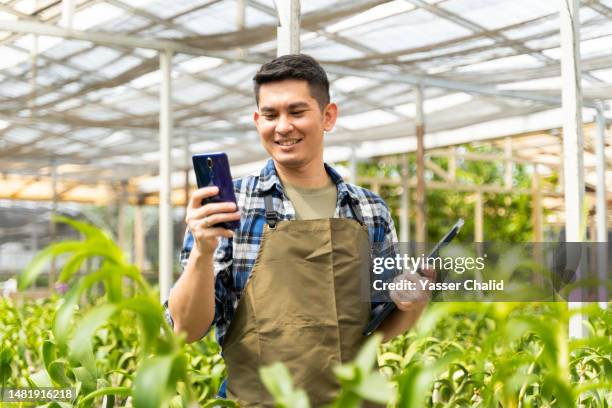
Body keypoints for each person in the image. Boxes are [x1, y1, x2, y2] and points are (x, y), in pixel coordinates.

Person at [164, 54, 431, 407]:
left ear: (328, 116)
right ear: (257, 121)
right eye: (271, 115)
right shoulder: (230, 206)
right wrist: (201, 251)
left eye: (297, 111)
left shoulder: (369, 210)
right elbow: (185, 329)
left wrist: (413, 303)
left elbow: (377, 330)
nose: (283, 126)